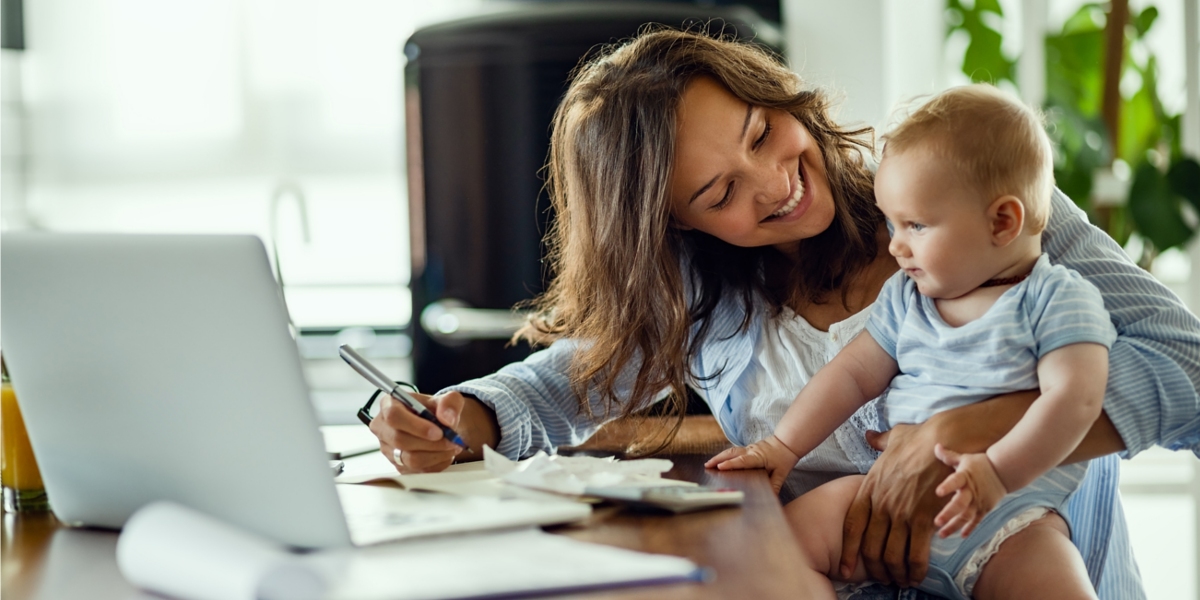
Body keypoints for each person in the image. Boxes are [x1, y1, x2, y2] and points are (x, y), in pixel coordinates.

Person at [369, 29, 1200, 599]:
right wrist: (464, 413)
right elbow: (564, 381)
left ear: (780, 96)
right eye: (719, 192)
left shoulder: (979, 200)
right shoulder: (705, 292)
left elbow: (1190, 371)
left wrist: (968, 431)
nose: (775, 182)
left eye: (763, 132)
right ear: (676, 225)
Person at [708, 84, 1114, 599]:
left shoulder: (1057, 300)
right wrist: (782, 445)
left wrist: (994, 472)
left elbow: (1077, 401)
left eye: (916, 225)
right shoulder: (907, 298)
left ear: (1002, 221)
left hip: (1011, 520)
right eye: (892, 223)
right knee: (775, 549)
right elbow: (852, 375)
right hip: (882, 498)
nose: (896, 246)